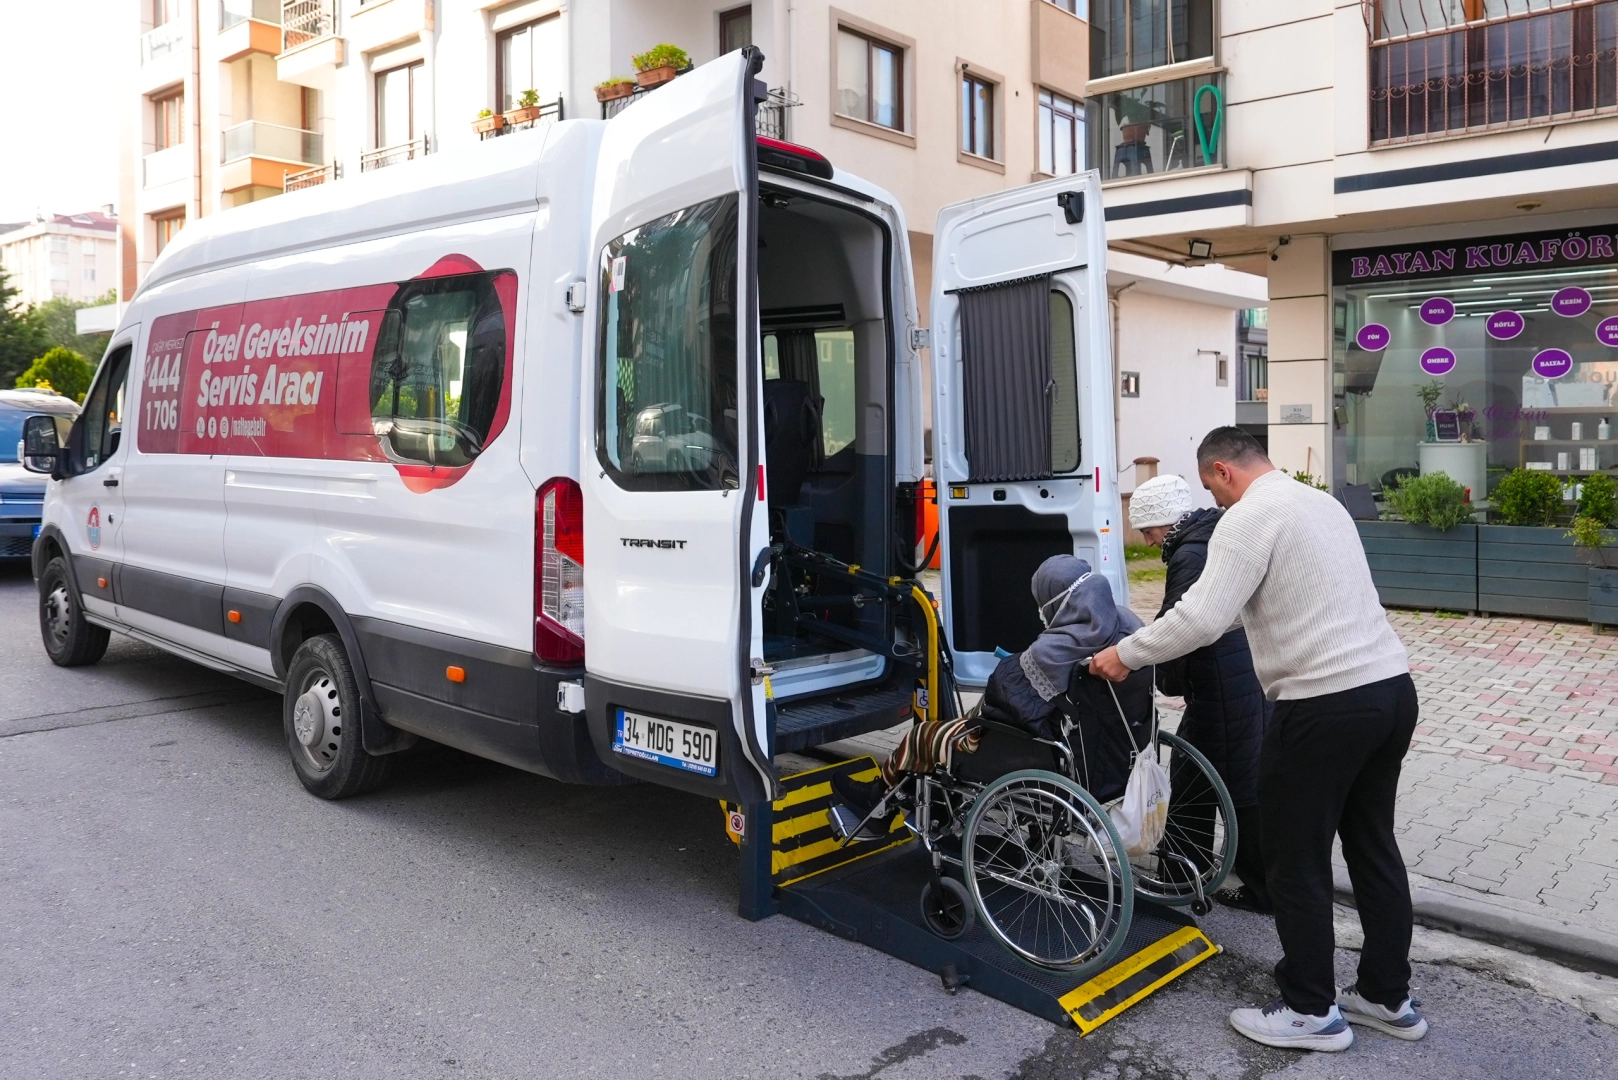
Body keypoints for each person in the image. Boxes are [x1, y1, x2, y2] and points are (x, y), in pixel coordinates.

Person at [1092, 428, 1424, 1053]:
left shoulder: (1249, 517)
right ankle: (1386, 996)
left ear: (1223, 471)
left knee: (1294, 860)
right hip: (1389, 688)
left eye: (1212, 487)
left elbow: (1201, 616)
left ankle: (1310, 1010)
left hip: (1322, 703)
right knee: (1374, 847)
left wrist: (1126, 654)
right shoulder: (1319, 503)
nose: (1213, 501)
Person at [831, 556, 1153, 832]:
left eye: (1042, 603)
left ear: (1055, 601)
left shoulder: (1050, 652)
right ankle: (925, 805)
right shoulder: (1128, 629)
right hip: (1109, 750)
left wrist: (1016, 668)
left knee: (924, 735)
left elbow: (1003, 703)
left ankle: (876, 804)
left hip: (1042, 750)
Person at [1129, 474, 1271, 914]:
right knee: (1215, 774)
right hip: (1241, 672)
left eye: (1149, 531)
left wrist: (1154, 673)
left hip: (1221, 681)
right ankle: (1186, 872)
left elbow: (1178, 623)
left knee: (1214, 780)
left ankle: (1252, 887)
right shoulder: (1213, 537)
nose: (1149, 543)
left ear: (1165, 523)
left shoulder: (1190, 555)